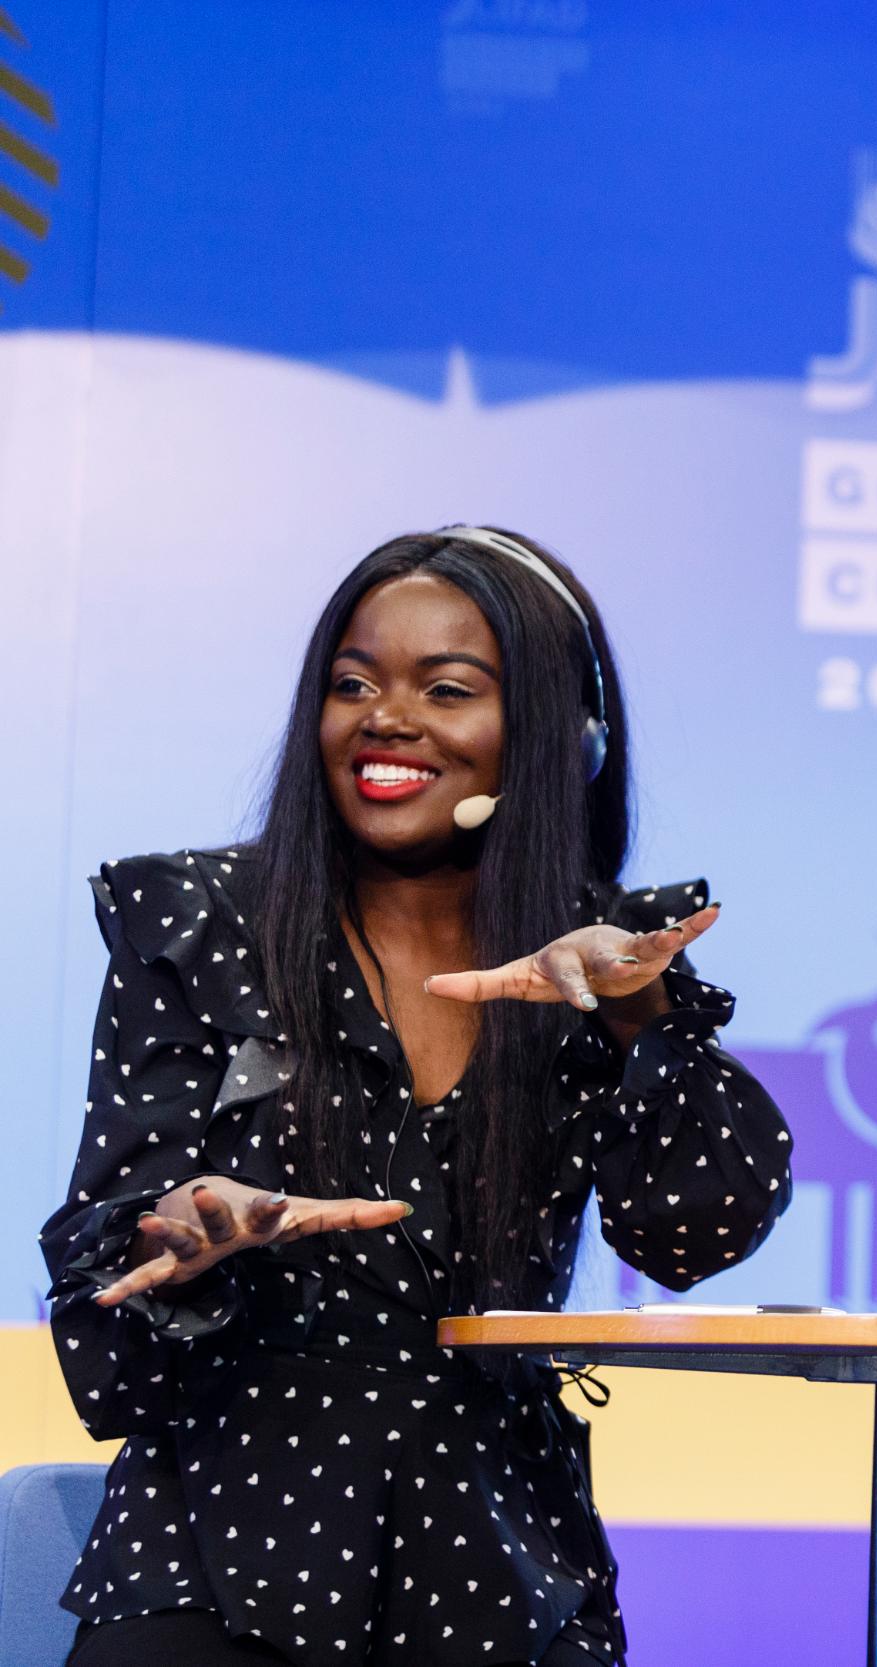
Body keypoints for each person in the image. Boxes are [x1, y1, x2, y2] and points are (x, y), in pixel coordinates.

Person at [38, 527, 795, 1666]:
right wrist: (181, 1229)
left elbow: (696, 1228)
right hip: (223, 1541)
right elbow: (103, 1260)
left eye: (447, 688)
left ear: (564, 740)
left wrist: (640, 1014)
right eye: (353, 683)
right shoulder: (198, 924)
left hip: (498, 1543)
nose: (386, 718)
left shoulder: (600, 957)